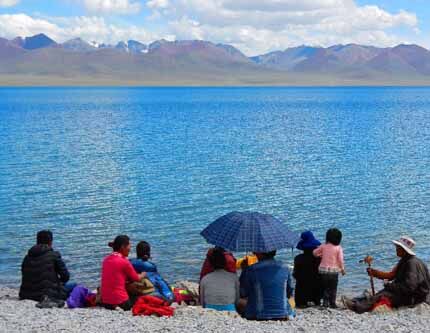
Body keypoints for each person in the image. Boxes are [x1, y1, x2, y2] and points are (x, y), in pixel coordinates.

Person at [343, 236, 430, 313]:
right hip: (416, 295)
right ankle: (356, 302)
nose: (396, 249)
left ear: (403, 250)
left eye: (398, 248)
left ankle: (357, 307)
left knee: (383, 295)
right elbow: (391, 275)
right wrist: (374, 273)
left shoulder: (410, 263)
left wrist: (389, 286)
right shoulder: (408, 260)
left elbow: (409, 287)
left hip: (414, 298)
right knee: (383, 292)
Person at [239, 250, 294, 320]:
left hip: (257, 314)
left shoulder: (251, 269)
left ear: (260, 253)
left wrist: (244, 270)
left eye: (255, 251)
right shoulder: (285, 268)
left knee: (239, 302)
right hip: (283, 313)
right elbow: (289, 293)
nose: (254, 253)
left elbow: (243, 293)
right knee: (290, 299)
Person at [19, 230, 70, 302]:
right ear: (50, 242)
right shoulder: (54, 255)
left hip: (26, 294)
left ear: (37, 241)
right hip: (47, 295)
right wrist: (58, 283)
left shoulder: (27, 257)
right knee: (75, 286)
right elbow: (65, 276)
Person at [100, 235, 145, 310]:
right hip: (121, 302)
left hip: (106, 302)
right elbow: (137, 278)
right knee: (139, 295)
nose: (130, 249)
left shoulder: (106, 260)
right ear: (123, 247)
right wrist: (143, 274)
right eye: (129, 246)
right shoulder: (124, 261)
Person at [313, 228, 346, 308]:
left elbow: (314, 252)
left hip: (323, 271)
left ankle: (325, 303)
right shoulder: (338, 248)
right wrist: (342, 269)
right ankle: (332, 303)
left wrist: (320, 255)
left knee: (325, 287)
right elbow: (340, 260)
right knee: (333, 288)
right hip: (334, 271)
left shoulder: (323, 246)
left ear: (327, 237)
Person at [199, 247, 239, 311]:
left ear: (211, 264)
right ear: (225, 263)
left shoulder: (205, 279)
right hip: (230, 309)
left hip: (209, 310)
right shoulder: (234, 277)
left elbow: (202, 302)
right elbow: (237, 300)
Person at [293, 231, 323, 308]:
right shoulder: (319, 258)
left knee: (300, 281)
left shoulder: (298, 258)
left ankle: (302, 303)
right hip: (317, 291)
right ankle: (317, 301)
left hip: (302, 293)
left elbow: (295, 275)